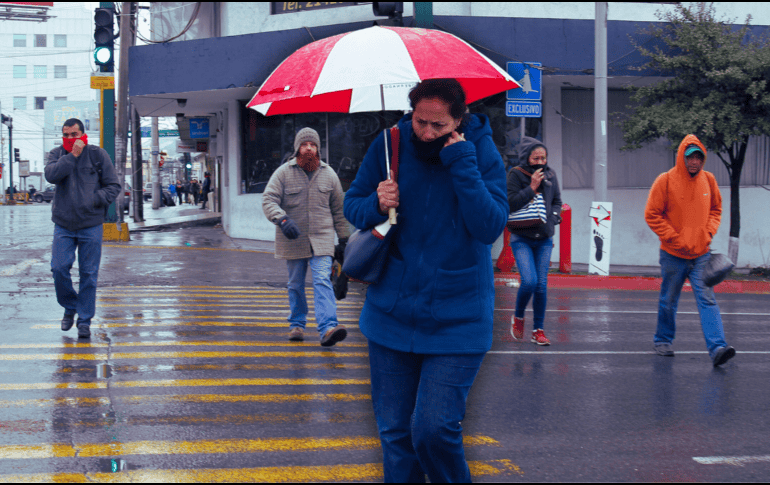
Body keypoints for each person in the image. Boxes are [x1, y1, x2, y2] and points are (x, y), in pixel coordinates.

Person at [343, 79, 508, 483]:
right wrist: (377, 202)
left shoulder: (479, 150)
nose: (427, 132)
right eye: (420, 122)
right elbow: (353, 206)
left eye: (438, 125)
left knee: (433, 430)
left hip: (459, 317)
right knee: (396, 435)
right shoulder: (390, 143)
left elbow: (489, 226)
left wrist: (463, 163)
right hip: (391, 314)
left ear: (459, 120)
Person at [645, 134, 735, 367]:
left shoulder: (709, 180)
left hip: (701, 255)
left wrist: (708, 233)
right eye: (690, 157)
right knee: (668, 300)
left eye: (698, 157)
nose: (694, 162)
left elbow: (716, 209)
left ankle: (717, 349)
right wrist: (673, 238)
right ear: (681, 158)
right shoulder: (665, 180)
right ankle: (663, 340)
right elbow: (652, 214)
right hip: (673, 255)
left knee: (707, 300)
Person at [262, 127, 350, 347]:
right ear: (297, 149)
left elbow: (339, 210)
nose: (309, 148)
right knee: (295, 284)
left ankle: (328, 327)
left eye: (313, 145)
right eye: (305, 144)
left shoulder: (329, 174)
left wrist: (344, 239)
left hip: (322, 239)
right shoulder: (283, 173)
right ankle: (297, 324)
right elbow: (268, 200)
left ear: (318, 149)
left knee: (322, 280)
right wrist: (281, 219)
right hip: (293, 239)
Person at [44, 118, 121, 339]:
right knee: (59, 268)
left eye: (74, 135)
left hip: (90, 224)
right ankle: (70, 306)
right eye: (66, 135)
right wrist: (72, 156)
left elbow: (113, 185)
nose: (70, 139)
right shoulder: (57, 154)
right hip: (63, 224)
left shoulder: (98, 155)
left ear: (83, 134)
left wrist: (95, 199)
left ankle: (84, 320)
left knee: (88, 274)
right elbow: (51, 175)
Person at [506, 137, 563, 346]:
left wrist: (554, 217)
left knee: (541, 286)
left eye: (543, 157)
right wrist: (532, 187)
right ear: (526, 158)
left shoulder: (551, 175)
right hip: (522, 237)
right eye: (536, 157)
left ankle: (538, 330)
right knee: (529, 281)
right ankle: (518, 316)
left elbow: (557, 201)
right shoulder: (515, 175)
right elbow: (510, 203)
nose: (540, 161)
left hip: (544, 239)